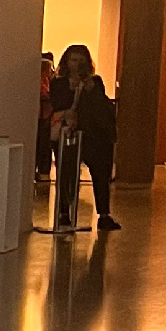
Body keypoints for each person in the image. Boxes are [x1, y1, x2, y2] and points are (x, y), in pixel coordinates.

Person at [55, 43, 119, 230]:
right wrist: (71, 91)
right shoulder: (59, 83)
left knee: (101, 173)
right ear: (66, 62)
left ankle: (104, 214)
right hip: (70, 134)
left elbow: (100, 108)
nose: (77, 65)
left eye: (81, 61)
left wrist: (90, 90)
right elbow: (59, 105)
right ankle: (64, 211)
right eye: (73, 60)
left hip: (95, 135)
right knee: (67, 173)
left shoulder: (95, 82)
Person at [35, 51, 56, 184]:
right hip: (44, 114)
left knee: (43, 144)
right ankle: (43, 173)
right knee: (43, 144)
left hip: (45, 115)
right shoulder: (47, 78)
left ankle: (43, 172)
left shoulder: (47, 78)